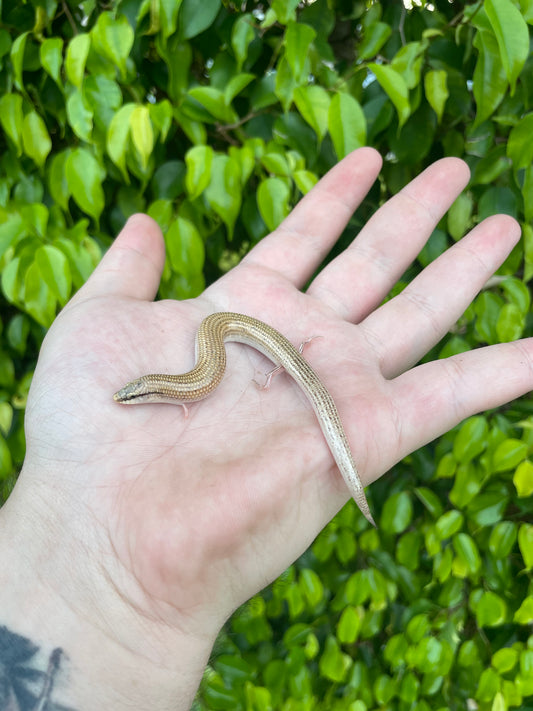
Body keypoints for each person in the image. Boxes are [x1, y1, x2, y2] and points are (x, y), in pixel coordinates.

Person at [0, 148, 528, 710]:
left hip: (258, 341)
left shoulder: (190, 376)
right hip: (245, 340)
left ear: (149, 390)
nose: (128, 398)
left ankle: (306, 392)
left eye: (133, 393)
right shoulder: (183, 382)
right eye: (133, 394)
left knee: (298, 387)